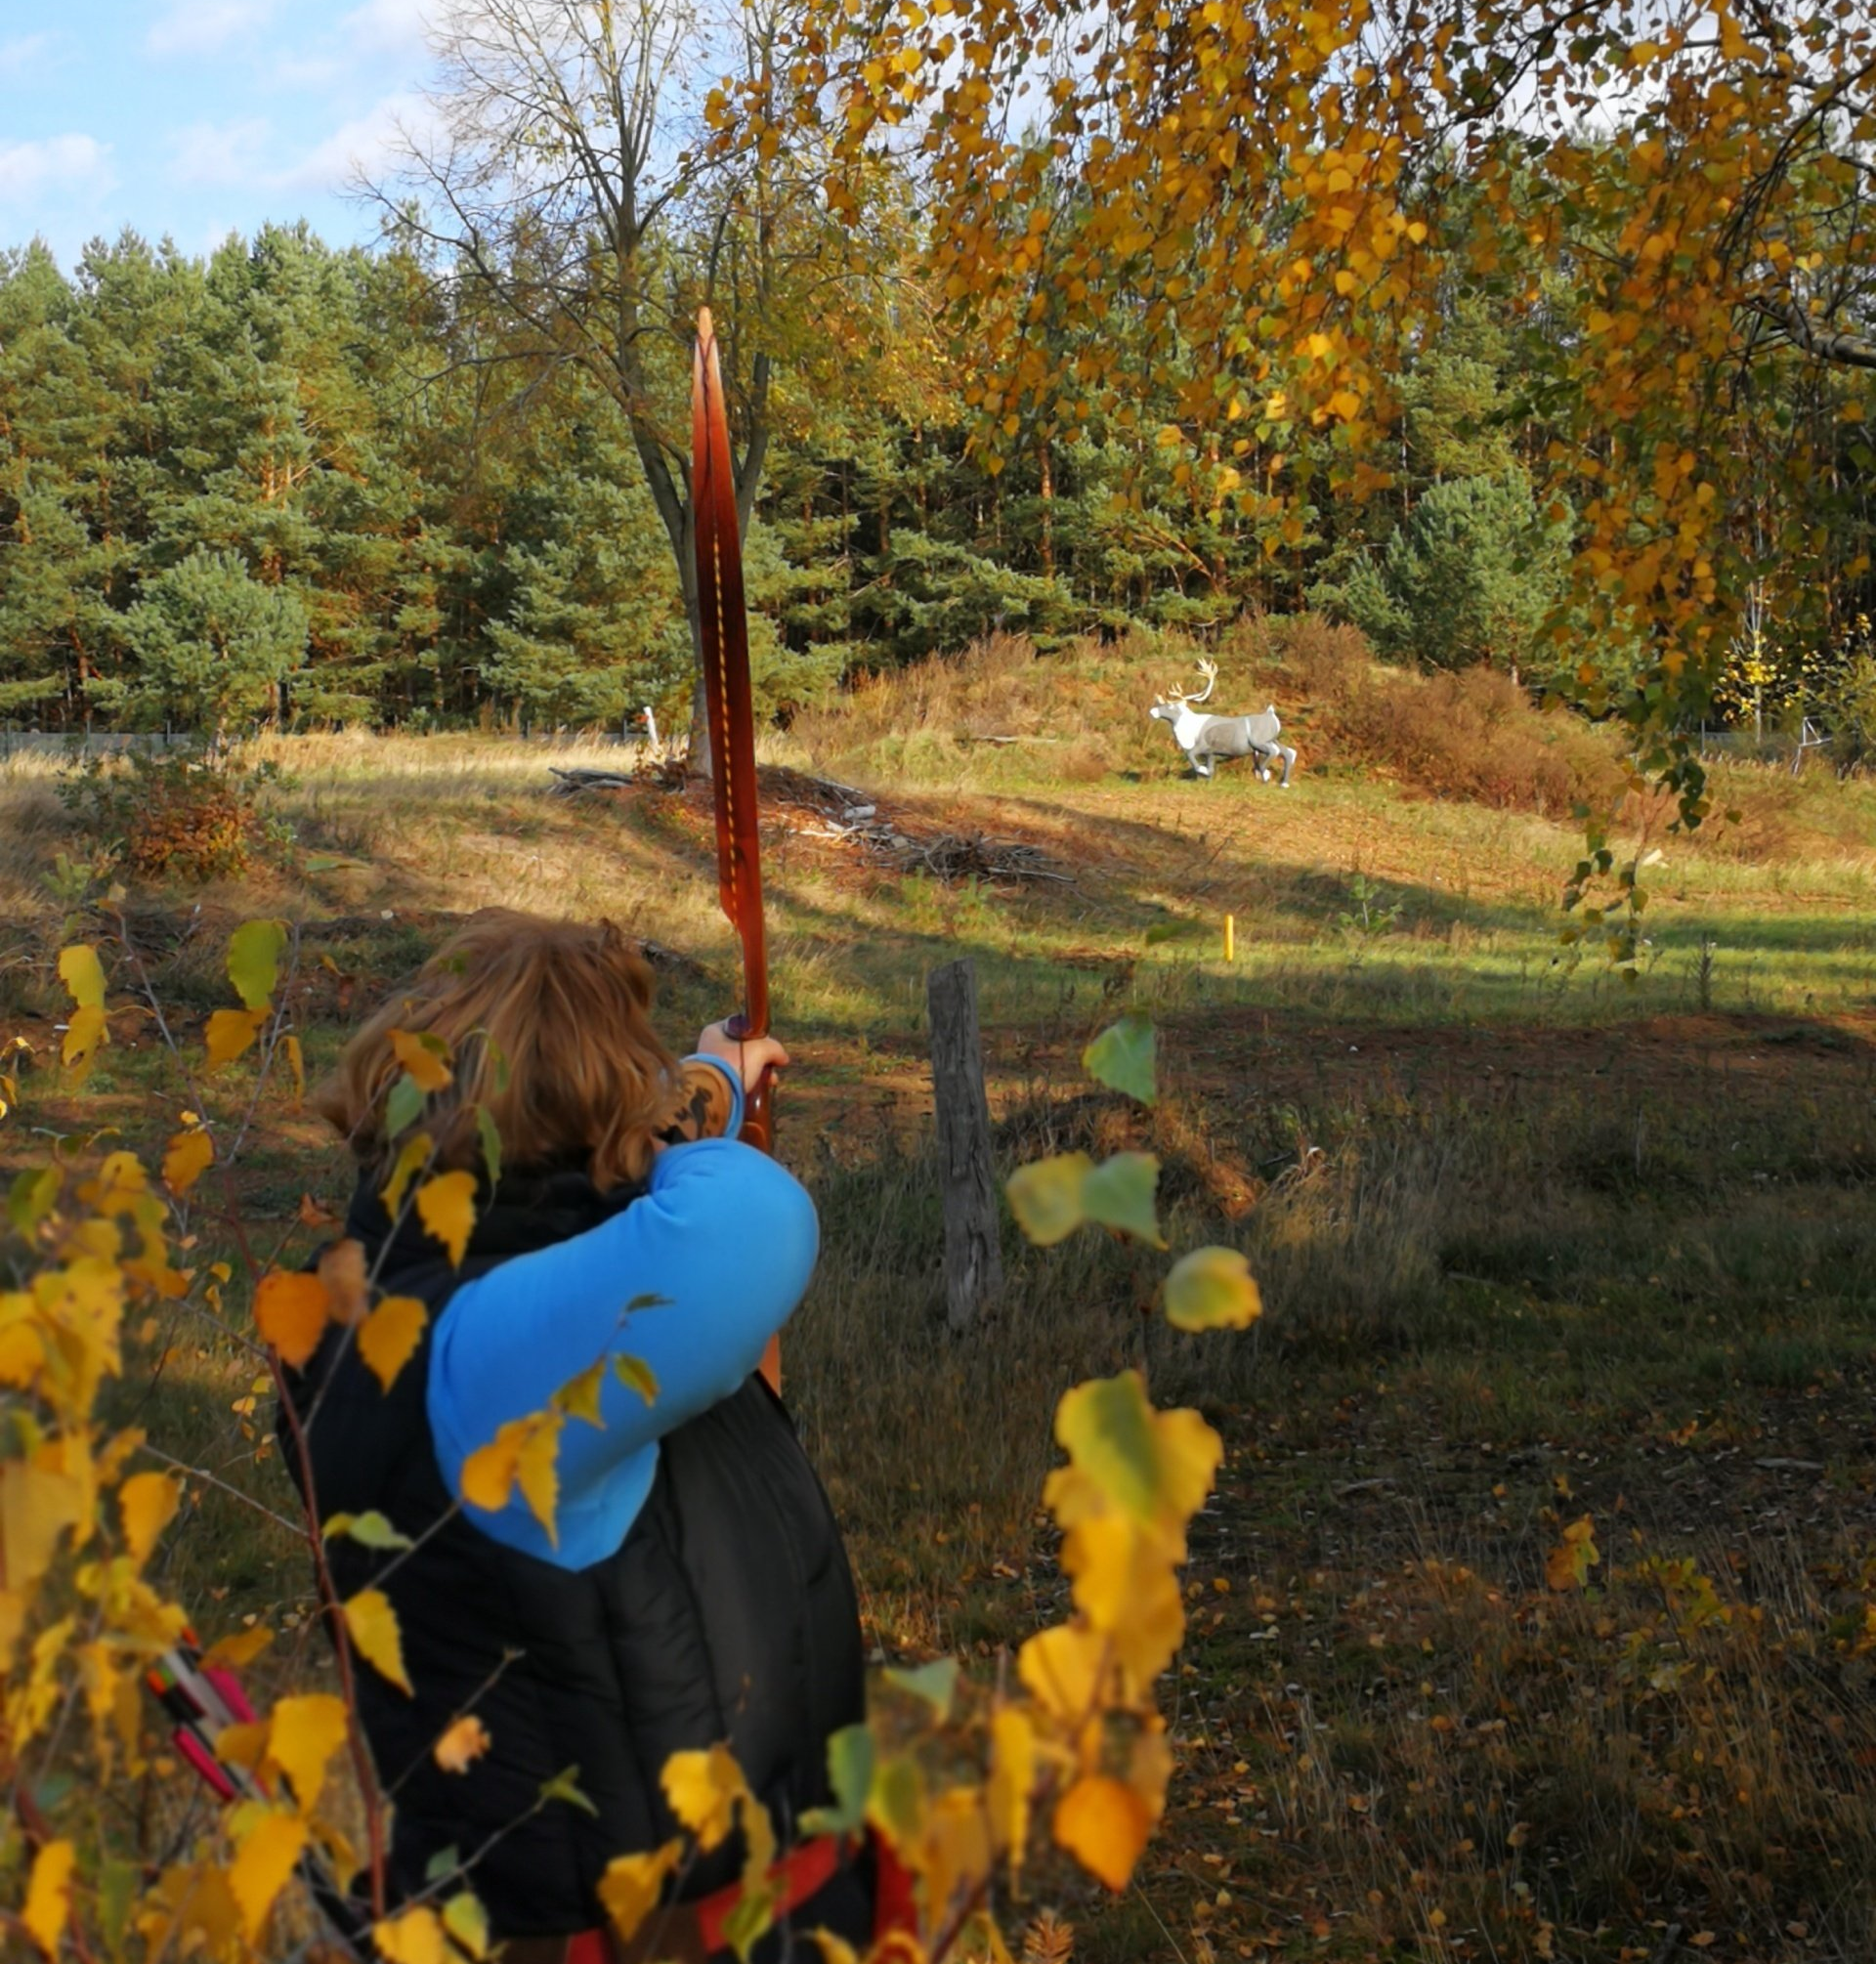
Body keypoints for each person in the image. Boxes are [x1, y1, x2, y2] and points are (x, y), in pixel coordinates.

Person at [278, 911, 874, 1962]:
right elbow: (754, 1223)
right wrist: (695, 1109)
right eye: (629, 1073)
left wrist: (682, 1096)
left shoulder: (427, 1288)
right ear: (590, 1100)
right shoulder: (492, 1350)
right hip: (634, 1931)